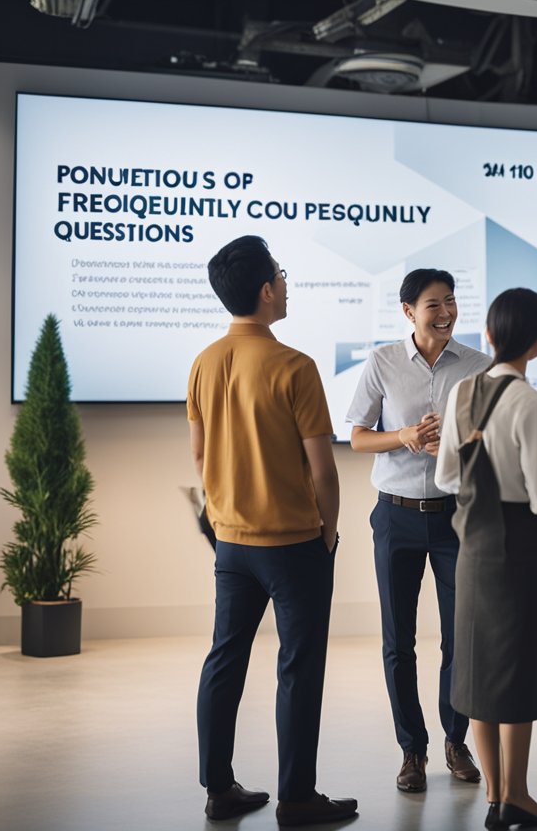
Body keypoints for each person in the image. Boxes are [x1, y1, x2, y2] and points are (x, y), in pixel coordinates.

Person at [188, 235, 356, 827]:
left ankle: (219, 790)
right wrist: (329, 534)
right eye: (280, 275)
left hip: (232, 544)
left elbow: (201, 457)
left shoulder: (204, 362)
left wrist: (226, 515)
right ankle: (297, 798)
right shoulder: (296, 366)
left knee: (224, 660)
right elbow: (324, 470)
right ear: (266, 290)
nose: (285, 283)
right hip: (293, 545)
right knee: (299, 666)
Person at [346, 268, 491, 792]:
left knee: (461, 639)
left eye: (451, 301)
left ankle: (456, 741)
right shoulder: (383, 361)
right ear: (409, 311)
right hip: (396, 516)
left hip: (456, 515)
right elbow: (359, 437)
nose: (447, 312)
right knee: (397, 642)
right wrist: (403, 435)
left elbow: (495, 440)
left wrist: (457, 443)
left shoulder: (478, 366)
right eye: (435, 304)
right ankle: (412, 750)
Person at [435, 287, 537, 830]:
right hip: (518, 545)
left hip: (473, 546)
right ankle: (518, 796)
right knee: (520, 669)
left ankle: (493, 796)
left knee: (478, 669)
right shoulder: (531, 402)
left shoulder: (463, 391)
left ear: (487, 335)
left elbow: (444, 477)